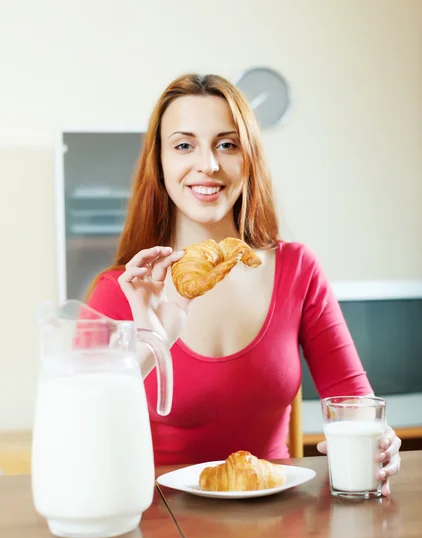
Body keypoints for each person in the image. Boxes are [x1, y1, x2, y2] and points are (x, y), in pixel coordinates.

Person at [86, 73, 401, 494]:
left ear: (248, 158)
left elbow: (354, 404)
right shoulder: (121, 289)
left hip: (277, 531)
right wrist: (150, 344)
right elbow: (79, 431)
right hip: (159, 529)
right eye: (184, 145)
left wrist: (379, 443)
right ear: (159, 163)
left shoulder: (298, 269)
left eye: (227, 144)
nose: (209, 165)